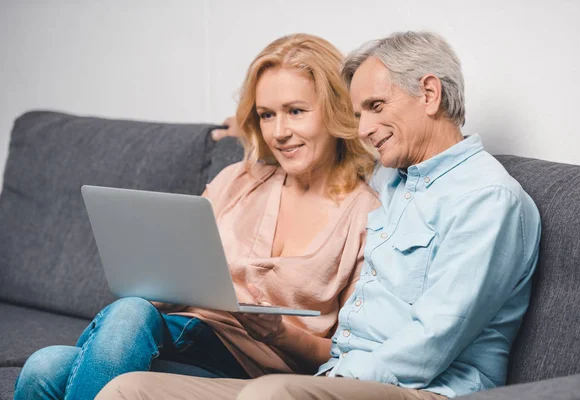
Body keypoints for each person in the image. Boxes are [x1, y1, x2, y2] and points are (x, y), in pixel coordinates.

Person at [96, 30, 542, 400]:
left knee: (268, 396)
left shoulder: (486, 200)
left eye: (376, 107)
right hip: (334, 375)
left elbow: (431, 343)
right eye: (356, 113)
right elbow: (319, 146)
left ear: (429, 93)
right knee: (129, 390)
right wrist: (260, 125)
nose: (363, 128)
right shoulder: (394, 179)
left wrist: (329, 382)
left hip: (427, 388)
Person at [13, 33, 380, 400]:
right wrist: (159, 287)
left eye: (295, 111)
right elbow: (174, 273)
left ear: (335, 110)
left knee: (89, 340)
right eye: (267, 115)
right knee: (47, 363)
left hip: (256, 369)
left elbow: (345, 352)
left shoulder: (366, 215)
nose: (279, 132)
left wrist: (276, 331)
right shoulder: (239, 179)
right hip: (183, 338)